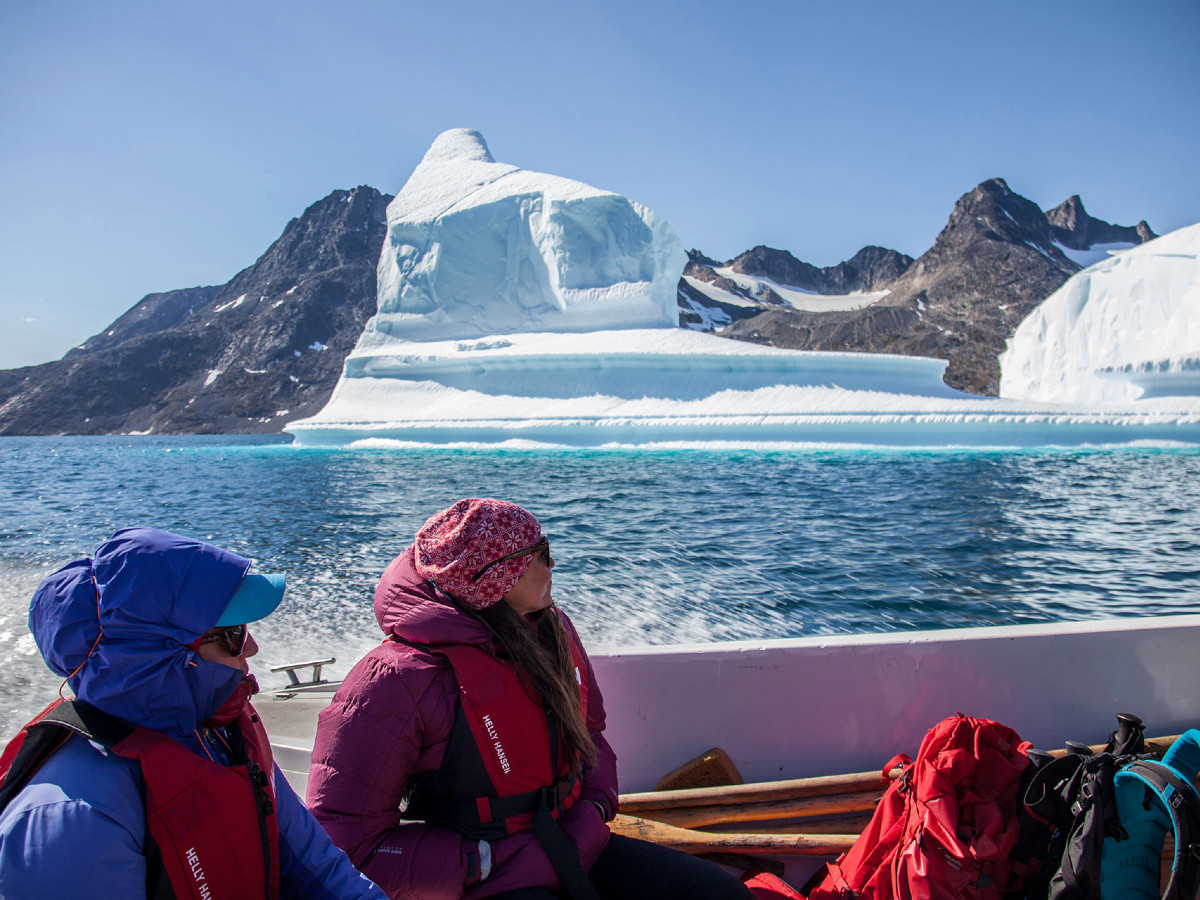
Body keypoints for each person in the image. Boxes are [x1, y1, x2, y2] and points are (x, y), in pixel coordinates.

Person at [306, 498, 754, 900]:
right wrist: (474, 863)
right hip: (484, 878)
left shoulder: (553, 631)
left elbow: (590, 735)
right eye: (541, 555)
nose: (554, 565)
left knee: (719, 894)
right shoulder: (398, 678)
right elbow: (346, 838)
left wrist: (594, 807)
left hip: (575, 843)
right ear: (498, 576)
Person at [0, 526, 386, 900]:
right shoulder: (75, 820)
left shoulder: (224, 736)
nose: (251, 648)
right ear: (160, 659)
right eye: (233, 635)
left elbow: (320, 872)